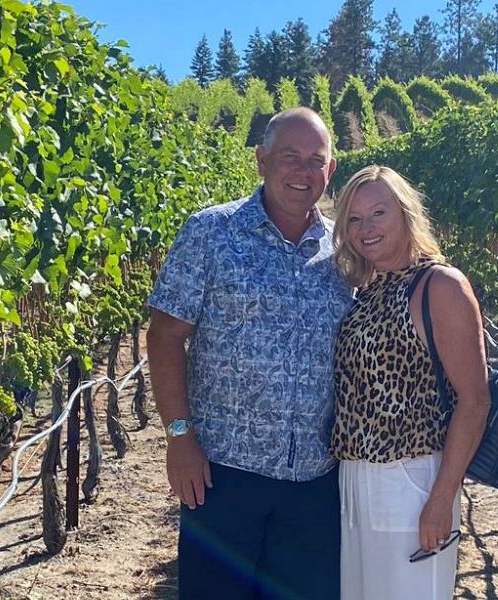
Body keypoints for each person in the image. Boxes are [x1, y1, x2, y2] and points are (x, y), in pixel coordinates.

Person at [145, 107, 354, 600]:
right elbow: (164, 337)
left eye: (315, 160)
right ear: (261, 161)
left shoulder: (345, 250)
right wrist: (179, 438)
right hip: (221, 476)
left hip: (315, 481)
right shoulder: (210, 232)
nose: (303, 172)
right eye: (289, 156)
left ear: (331, 171)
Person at [328, 166, 489, 599]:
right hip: (356, 477)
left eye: (378, 213)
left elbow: (474, 401)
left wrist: (441, 499)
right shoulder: (370, 288)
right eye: (355, 220)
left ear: (405, 213)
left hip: (412, 479)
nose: (366, 229)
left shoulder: (440, 285)